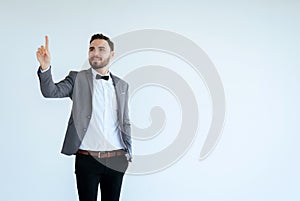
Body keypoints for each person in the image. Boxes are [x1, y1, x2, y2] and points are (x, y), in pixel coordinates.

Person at [36, 34, 132, 201]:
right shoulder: (77, 78)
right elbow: (51, 92)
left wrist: (129, 152)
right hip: (87, 159)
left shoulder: (122, 85)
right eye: (91, 49)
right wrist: (45, 68)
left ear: (112, 54)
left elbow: (124, 120)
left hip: (117, 159)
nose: (95, 53)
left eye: (102, 49)